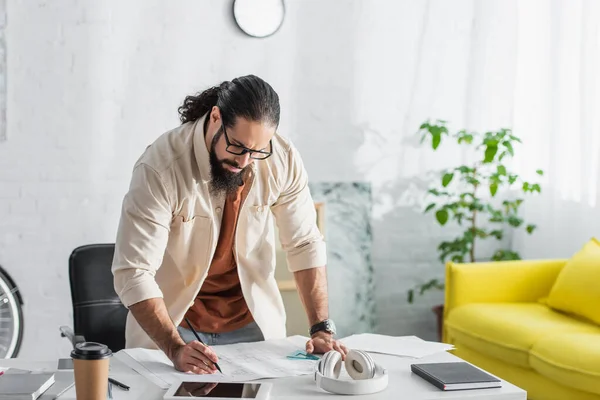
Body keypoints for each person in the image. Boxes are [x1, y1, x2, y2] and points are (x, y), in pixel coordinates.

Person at [111, 75, 348, 375]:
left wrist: (321, 327)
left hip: (253, 326)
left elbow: (305, 243)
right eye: (237, 146)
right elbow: (133, 272)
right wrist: (174, 348)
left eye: (257, 151)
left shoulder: (281, 158)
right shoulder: (161, 167)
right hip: (175, 328)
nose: (245, 160)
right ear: (215, 117)